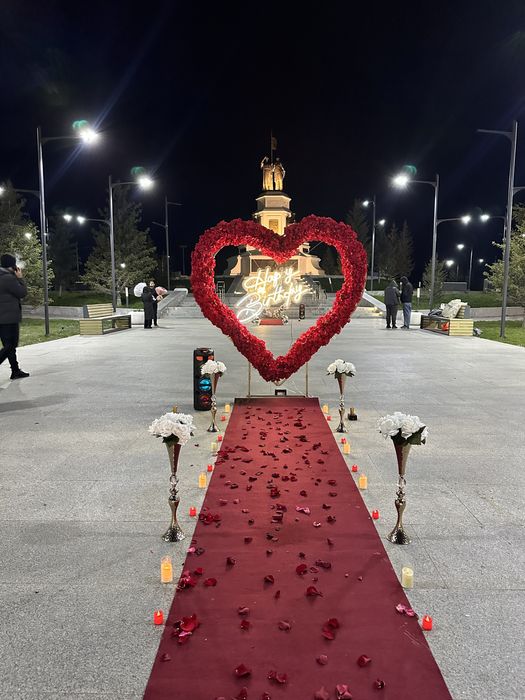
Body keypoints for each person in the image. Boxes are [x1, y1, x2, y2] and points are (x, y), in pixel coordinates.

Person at [0, 253, 29, 379]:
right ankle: (15, 370)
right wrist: (20, 278)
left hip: (2, 318)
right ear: (12, 265)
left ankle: (15, 370)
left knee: (8, 346)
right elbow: (22, 293)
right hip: (9, 318)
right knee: (11, 345)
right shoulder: (8, 278)